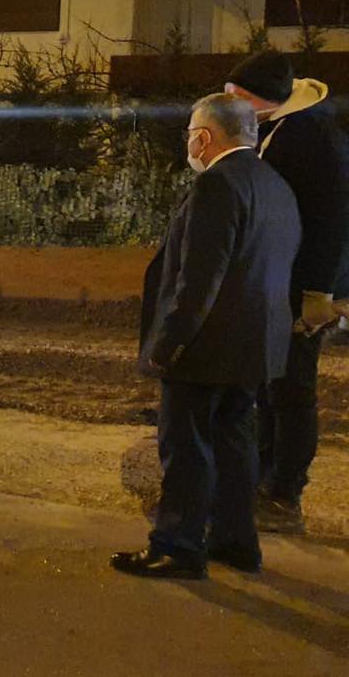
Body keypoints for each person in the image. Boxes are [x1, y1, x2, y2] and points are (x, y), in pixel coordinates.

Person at [112, 94, 300, 579]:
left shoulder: (217, 186)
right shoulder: (275, 185)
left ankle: (177, 544)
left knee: (186, 447)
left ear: (205, 136)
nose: (189, 142)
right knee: (235, 443)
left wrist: (167, 346)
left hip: (205, 347)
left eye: (191, 132)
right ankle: (235, 542)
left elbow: (198, 281)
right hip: (255, 346)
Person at [225, 51, 349, 533]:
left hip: (304, 287)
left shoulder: (310, 136)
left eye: (237, 98)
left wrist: (317, 292)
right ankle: (265, 475)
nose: (230, 105)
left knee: (292, 388)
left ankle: (284, 493)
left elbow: (331, 220)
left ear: (263, 97)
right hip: (283, 279)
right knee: (271, 383)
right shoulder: (284, 127)